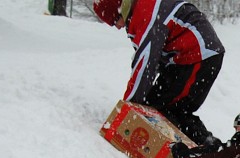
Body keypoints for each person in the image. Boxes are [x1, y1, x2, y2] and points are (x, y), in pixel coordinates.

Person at [92, 0, 225, 146]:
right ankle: (202, 149)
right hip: (188, 58)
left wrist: (128, 109)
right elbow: (151, 60)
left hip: (198, 56)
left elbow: (146, 62)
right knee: (158, 105)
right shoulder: (140, 10)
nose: (118, 26)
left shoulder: (146, 12)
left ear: (121, 8)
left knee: (164, 108)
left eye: (116, 20)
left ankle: (207, 150)